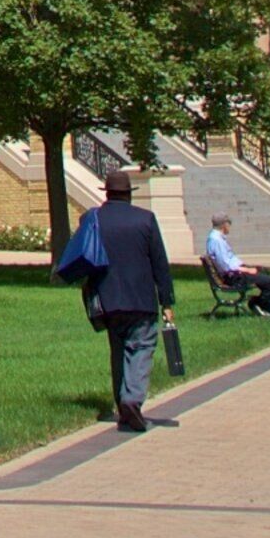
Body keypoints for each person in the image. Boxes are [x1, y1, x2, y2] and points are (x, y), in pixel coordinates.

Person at [70, 167, 173, 432]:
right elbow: (160, 263)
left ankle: (123, 408)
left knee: (118, 351)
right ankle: (132, 399)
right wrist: (167, 301)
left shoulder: (92, 219)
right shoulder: (146, 219)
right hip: (141, 298)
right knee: (141, 348)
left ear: (108, 193)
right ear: (129, 194)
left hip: (107, 298)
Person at [201, 213, 270, 317]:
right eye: (229, 224)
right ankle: (262, 308)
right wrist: (247, 270)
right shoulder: (216, 241)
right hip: (234, 277)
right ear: (224, 225)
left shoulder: (215, 238)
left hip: (235, 273)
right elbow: (226, 266)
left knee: (264, 272)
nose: (229, 226)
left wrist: (246, 267)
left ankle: (257, 304)